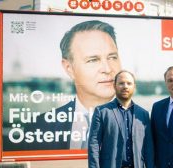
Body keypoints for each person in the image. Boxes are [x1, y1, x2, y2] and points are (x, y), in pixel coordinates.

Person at [20, 20, 121, 150]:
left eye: (112, 57)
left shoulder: (143, 122)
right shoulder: (38, 127)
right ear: (69, 68)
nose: (107, 69)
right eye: (93, 60)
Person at [88, 70, 155, 168]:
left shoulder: (143, 114)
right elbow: (93, 146)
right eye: (121, 83)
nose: (125, 86)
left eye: (129, 83)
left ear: (134, 87)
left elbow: (148, 149)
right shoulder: (102, 112)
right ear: (114, 86)